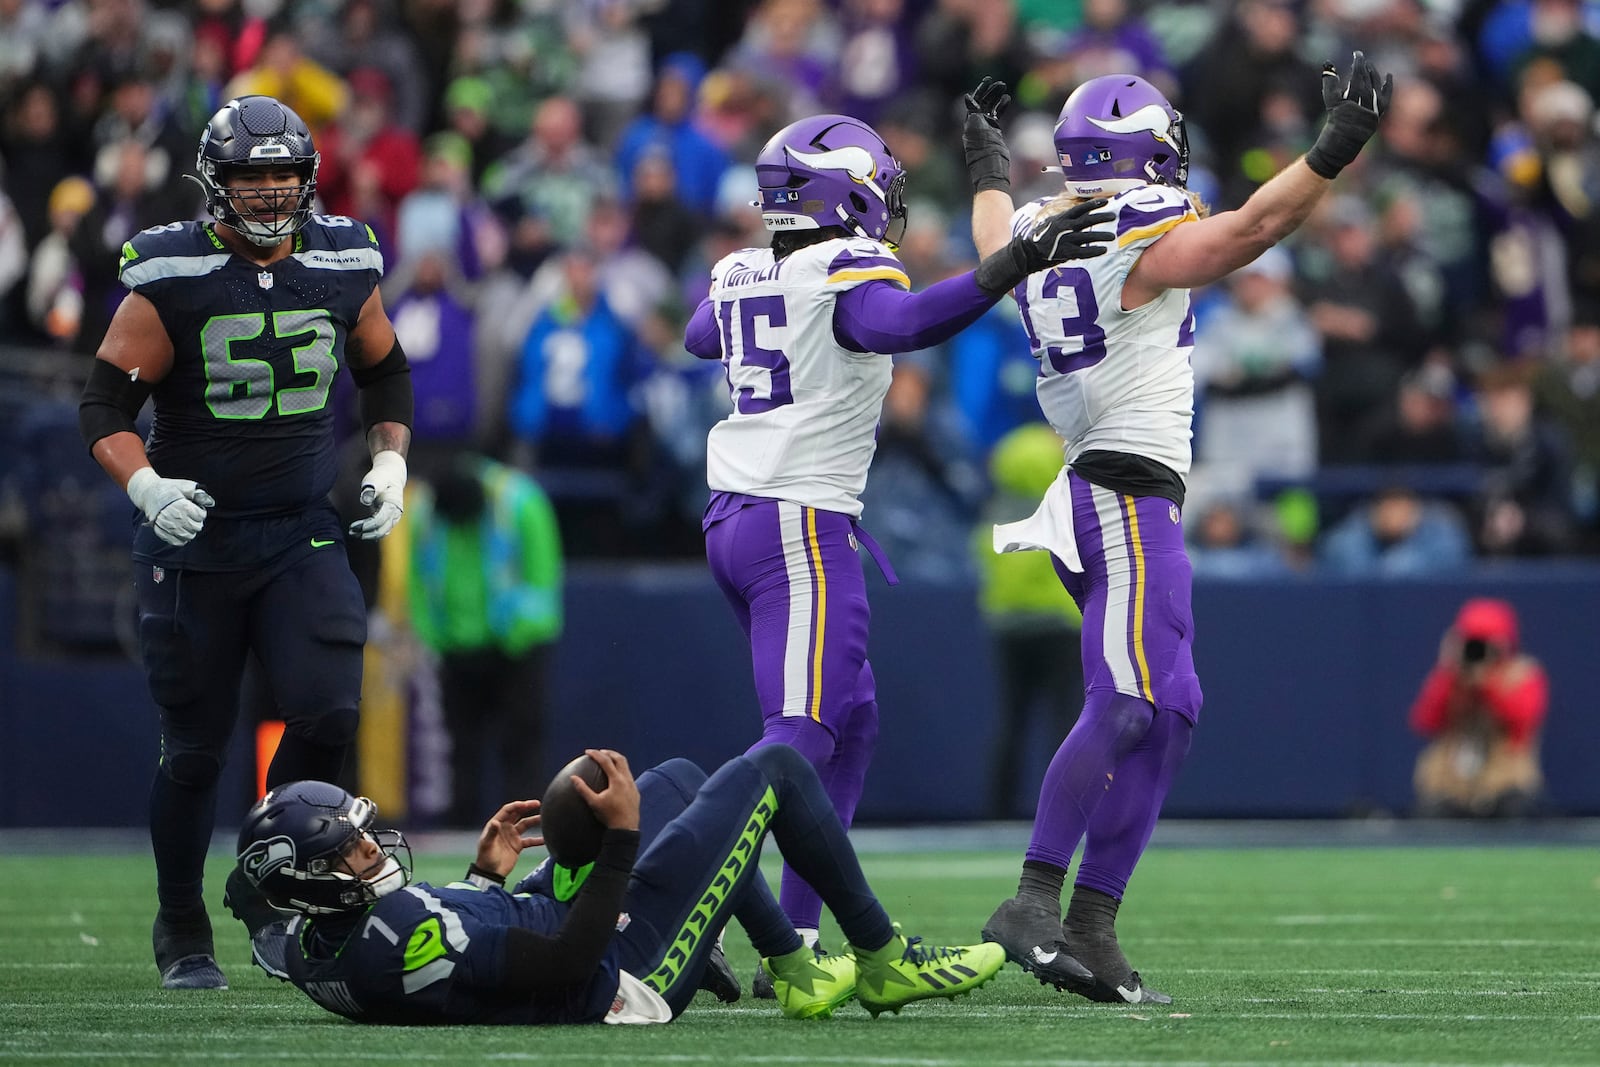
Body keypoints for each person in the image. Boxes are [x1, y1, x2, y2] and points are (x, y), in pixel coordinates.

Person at [958, 53, 1394, 1003]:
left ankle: (1094, 921)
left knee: (1171, 708)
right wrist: (1337, 146)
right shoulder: (1138, 234)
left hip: (1117, 491)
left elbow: (993, 231)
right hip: (1119, 492)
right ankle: (1034, 896)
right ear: (1147, 154)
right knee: (1128, 700)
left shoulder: (1035, 224)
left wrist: (988, 166)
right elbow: (1255, 227)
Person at [682, 112, 1116, 989]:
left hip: (737, 517)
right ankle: (680, 915)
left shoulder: (740, 269)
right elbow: (903, 324)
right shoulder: (843, 265)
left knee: (850, 724)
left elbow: (702, 335)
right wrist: (1010, 263)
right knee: (799, 736)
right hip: (796, 521)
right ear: (846, 191)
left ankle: (796, 942)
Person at [77, 95, 414, 991]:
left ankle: (267, 883)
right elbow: (103, 406)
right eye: (251, 176)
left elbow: (385, 371)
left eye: (282, 176)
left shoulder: (345, 257)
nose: (268, 194)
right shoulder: (173, 270)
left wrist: (390, 462)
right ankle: (181, 923)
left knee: (330, 713)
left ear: (307, 180)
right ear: (214, 183)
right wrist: (144, 485)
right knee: (195, 744)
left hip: (300, 528)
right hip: (195, 539)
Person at [228, 745, 1006, 1024]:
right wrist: (623, 843)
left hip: (542, 920)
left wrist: (480, 878)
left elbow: (456, 955)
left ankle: (794, 967)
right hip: (619, 971)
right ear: (311, 882)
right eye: (352, 850)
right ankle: (884, 955)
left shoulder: (311, 945)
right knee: (775, 770)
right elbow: (569, 961)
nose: (371, 848)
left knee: (671, 776)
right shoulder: (392, 935)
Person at [408, 454, 564, 827]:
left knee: (521, 742)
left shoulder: (523, 504)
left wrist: (510, 638)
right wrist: (439, 639)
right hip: (457, 652)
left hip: (516, 649)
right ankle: (459, 828)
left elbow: (543, 584)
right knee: (460, 746)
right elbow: (419, 587)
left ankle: (526, 827)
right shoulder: (425, 513)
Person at [1410, 598, 1549, 818]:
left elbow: (1521, 723)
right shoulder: (1450, 677)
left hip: (1504, 783)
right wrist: (1447, 673)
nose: (1478, 651)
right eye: (1472, 642)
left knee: (1517, 811)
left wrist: (1487, 685)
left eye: (1484, 643)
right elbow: (1424, 722)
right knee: (1431, 814)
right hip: (1453, 784)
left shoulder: (1522, 674)